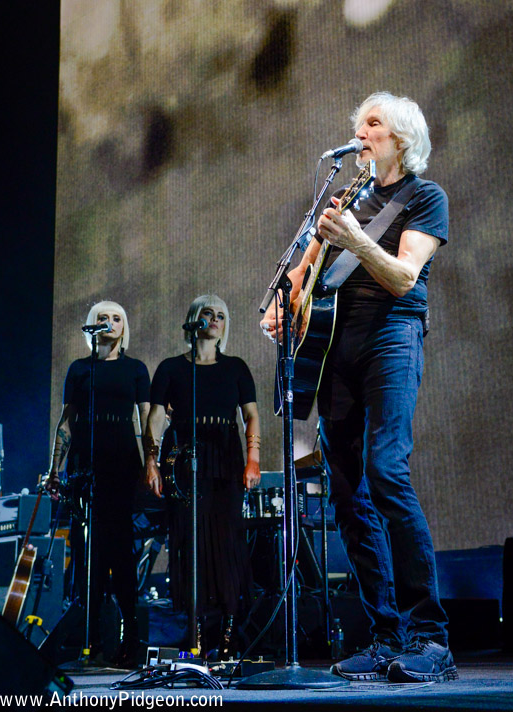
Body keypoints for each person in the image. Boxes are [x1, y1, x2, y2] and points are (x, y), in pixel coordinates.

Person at [261, 92, 457, 683]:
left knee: (386, 471)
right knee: (346, 488)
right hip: (335, 349)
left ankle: (430, 635)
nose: (360, 133)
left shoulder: (425, 197)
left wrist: (355, 239)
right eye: (357, 125)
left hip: (392, 336)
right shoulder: (346, 199)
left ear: (401, 136)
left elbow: (402, 276)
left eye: (372, 124)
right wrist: (284, 303)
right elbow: (304, 272)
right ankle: (385, 636)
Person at [145, 294, 261, 658]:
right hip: (182, 460)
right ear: (193, 319)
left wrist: (253, 459)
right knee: (188, 542)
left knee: (225, 546)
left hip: (225, 460)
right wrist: (151, 461)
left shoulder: (237, 367)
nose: (214, 320)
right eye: (207, 314)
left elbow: (252, 416)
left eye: (221, 316)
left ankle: (227, 637)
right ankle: (194, 635)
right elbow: (155, 417)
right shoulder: (170, 368)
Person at [47, 301, 150, 668]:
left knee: (120, 552)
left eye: (117, 318)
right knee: (87, 550)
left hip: (121, 465)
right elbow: (65, 423)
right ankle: (88, 638)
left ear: (125, 326)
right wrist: (54, 468)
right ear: (91, 326)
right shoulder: (79, 370)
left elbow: (146, 422)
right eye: (102, 318)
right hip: (84, 469)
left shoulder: (136, 369)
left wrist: (151, 463)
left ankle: (130, 635)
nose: (109, 323)